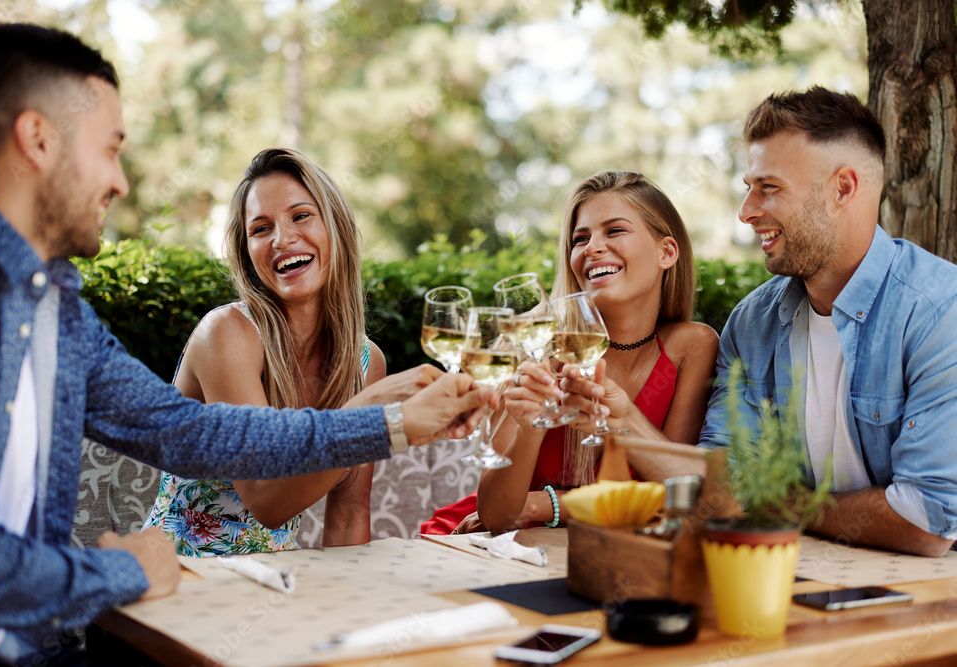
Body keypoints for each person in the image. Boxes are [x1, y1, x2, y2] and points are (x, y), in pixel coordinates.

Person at [0, 23, 491, 665]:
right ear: (38, 140)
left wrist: (392, 423)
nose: (122, 182)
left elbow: (190, 433)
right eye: (111, 149)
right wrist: (126, 572)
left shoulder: (54, 308)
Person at [566, 87, 957, 558]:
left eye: (768, 188)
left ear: (843, 188)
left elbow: (926, 521)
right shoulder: (754, 322)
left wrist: (783, 505)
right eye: (748, 187)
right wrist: (623, 418)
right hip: (792, 573)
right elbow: (723, 491)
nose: (747, 211)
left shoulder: (940, 310)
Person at [424, 171, 719, 534]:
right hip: (491, 543)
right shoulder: (536, 344)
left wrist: (546, 503)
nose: (593, 247)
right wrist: (530, 430)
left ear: (667, 252)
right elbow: (497, 515)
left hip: (600, 548)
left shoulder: (692, 346)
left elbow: (679, 490)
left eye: (614, 231)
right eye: (581, 238)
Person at [144, 148, 385, 554]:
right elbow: (265, 498)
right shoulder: (226, 334)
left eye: (301, 215)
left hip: (272, 590)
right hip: (179, 585)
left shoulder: (365, 362)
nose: (282, 239)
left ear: (336, 227)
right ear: (248, 253)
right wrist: (381, 418)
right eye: (260, 229)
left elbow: (348, 515)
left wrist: (351, 612)